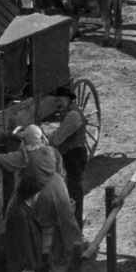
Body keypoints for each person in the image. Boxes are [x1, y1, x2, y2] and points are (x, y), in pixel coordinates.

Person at [0, 124, 82, 272]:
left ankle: (32, 258)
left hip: (38, 192)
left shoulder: (24, 155)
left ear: (26, 140)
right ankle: (72, 252)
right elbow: (61, 172)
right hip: (59, 187)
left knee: (17, 214)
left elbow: (3, 160)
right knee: (65, 222)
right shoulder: (53, 151)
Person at [48, 85, 89, 223]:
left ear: (68, 99)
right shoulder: (69, 113)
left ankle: (76, 225)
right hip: (71, 155)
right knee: (71, 189)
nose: (57, 104)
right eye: (56, 101)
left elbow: (57, 139)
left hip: (75, 156)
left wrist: (44, 141)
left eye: (60, 100)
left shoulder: (73, 115)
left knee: (74, 190)